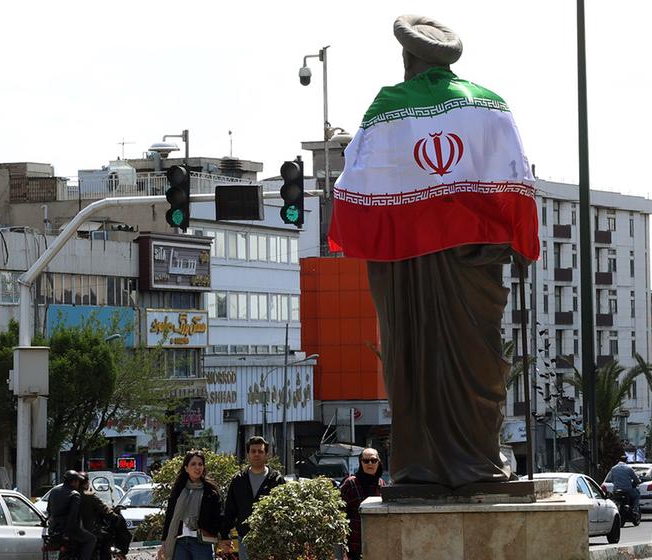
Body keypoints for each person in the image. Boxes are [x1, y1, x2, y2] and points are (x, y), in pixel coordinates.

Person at [328, 14, 539, 488]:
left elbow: (356, 180)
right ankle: (477, 460)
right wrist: (521, 238)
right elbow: (517, 178)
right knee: (477, 356)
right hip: (472, 258)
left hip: (406, 260)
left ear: (407, 58)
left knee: (410, 355)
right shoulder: (488, 105)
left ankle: (418, 464)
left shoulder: (389, 107)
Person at [220, 436, 286, 560]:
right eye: (253, 451)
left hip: (270, 540)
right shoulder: (238, 480)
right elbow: (230, 510)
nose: (256, 454)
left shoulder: (276, 479)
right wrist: (225, 535)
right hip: (245, 538)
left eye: (260, 451)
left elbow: (285, 510)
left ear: (266, 454)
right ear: (248, 454)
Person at [159, 450, 222, 560]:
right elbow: (170, 516)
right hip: (179, 541)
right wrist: (164, 542)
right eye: (193, 464)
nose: (197, 467)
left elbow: (219, 516)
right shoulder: (178, 490)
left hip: (202, 542)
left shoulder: (210, 491)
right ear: (186, 468)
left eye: (200, 464)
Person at [339, 448, 385, 560]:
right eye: (366, 461)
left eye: (373, 460)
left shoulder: (381, 484)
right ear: (361, 463)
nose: (370, 464)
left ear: (378, 462)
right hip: (354, 546)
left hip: (377, 543)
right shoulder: (351, 483)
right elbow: (338, 512)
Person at [49, 470, 95, 560]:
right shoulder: (75, 494)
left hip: (54, 529)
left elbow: (49, 510)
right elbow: (73, 516)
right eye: (77, 481)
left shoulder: (54, 491)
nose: (78, 484)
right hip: (68, 530)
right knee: (92, 539)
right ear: (73, 482)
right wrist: (70, 532)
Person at [76, 473, 117, 560]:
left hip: (70, 530)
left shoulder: (70, 494)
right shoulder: (89, 496)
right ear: (86, 482)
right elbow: (105, 510)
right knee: (107, 537)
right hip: (88, 530)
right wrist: (115, 516)